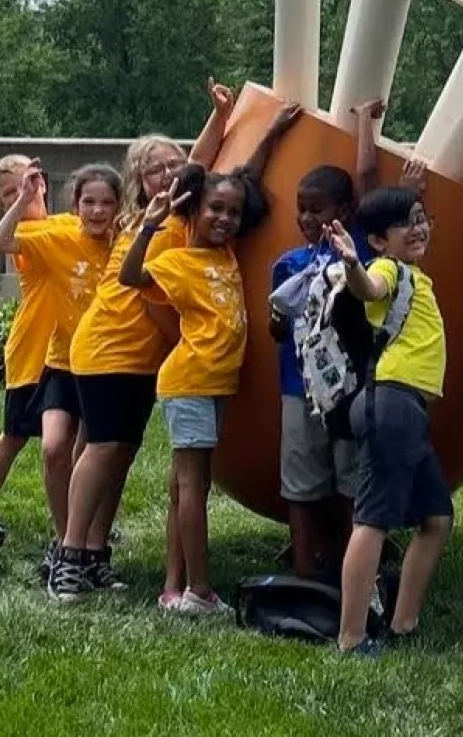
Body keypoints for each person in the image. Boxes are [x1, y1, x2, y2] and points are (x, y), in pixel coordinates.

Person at [57, 91, 300, 603]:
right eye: (154, 170)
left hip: (144, 357)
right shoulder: (155, 222)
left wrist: (247, 125)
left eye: (172, 165)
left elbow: (231, 181)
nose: (167, 175)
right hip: (110, 348)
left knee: (120, 452)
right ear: (138, 181)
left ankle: (95, 553)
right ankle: (70, 556)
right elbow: (145, 296)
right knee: (102, 448)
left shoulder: (190, 217)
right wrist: (187, 344)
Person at [117, 162, 269, 615]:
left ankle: (175, 585)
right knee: (192, 482)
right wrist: (149, 227)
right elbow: (130, 277)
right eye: (214, 209)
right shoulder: (178, 260)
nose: (224, 218)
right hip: (191, 380)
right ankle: (198, 591)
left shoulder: (225, 254)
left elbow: (246, 176)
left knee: (185, 487)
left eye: (234, 213)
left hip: (214, 382)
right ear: (193, 212)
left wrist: (274, 131)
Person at [326, 185, 452, 656]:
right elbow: (369, 289)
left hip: (408, 410)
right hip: (390, 402)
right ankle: (352, 636)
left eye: (422, 217)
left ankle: (404, 622)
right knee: (373, 520)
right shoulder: (387, 268)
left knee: (437, 519)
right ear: (379, 241)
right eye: (406, 223)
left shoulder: (417, 275)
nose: (418, 228)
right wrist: (354, 264)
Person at [269, 100, 383, 581]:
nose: (307, 218)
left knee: (350, 478)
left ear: (344, 211)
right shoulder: (289, 264)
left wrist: (363, 123)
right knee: (301, 479)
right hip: (299, 389)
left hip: (349, 388)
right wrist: (284, 311)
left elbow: (369, 175)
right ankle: (302, 565)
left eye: (318, 209)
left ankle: (347, 564)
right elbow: (277, 330)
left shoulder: (354, 248)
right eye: (302, 210)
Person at [0, 160, 121, 557]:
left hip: (100, 363)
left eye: (105, 203)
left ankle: (79, 538)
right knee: (38, 442)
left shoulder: (104, 235)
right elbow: (2, 240)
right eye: (88, 202)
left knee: (89, 450)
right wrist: (24, 200)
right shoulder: (44, 234)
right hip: (51, 358)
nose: (96, 210)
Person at [0, 154, 49, 500]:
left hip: (68, 352)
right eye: (9, 193)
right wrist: (23, 202)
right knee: (14, 436)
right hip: (33, 354)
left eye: (27, 184)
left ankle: (81, 521)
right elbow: (1, 239)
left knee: (74, 440)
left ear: (43, 182)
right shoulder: (23, 233)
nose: (21, 194)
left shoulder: (67, 225)